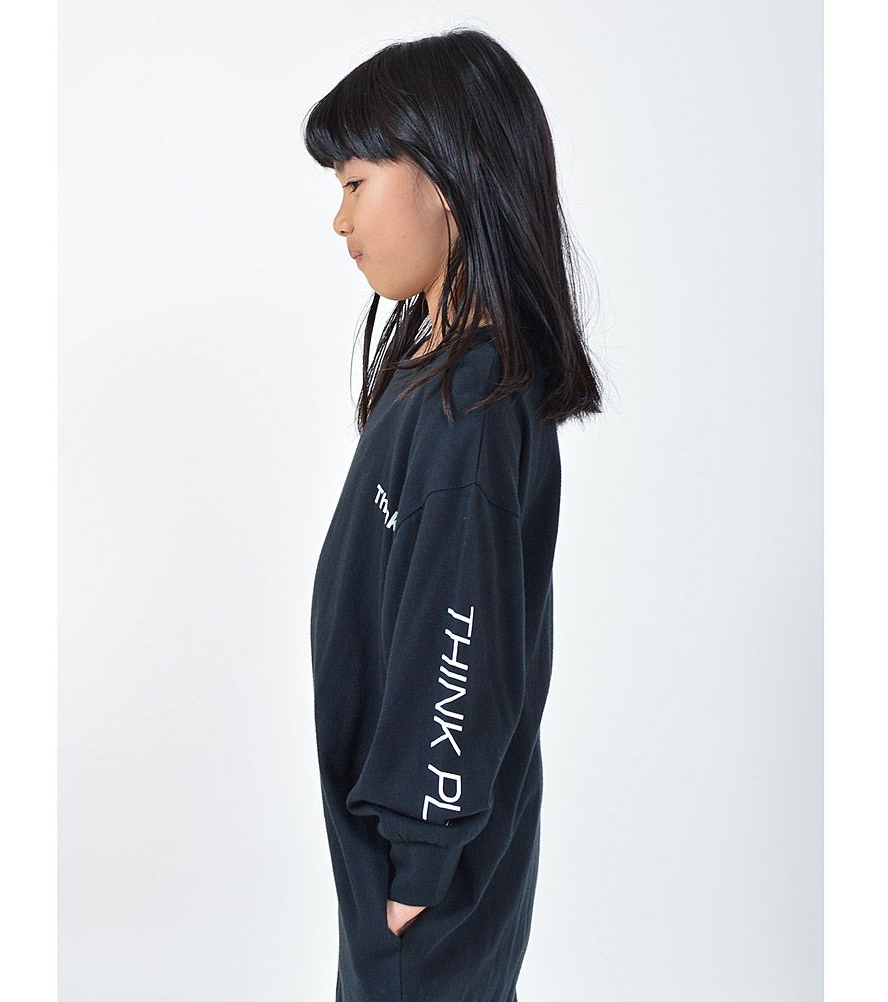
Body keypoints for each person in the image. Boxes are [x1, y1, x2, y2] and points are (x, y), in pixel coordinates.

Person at [303, 26, 604, 1002]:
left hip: (425, 886)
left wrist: (419, 859)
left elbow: (456, 631)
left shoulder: (469, 406)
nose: (340, 220)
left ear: (445, 177)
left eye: (355, 183)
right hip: (409, 866)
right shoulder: (438, 374)